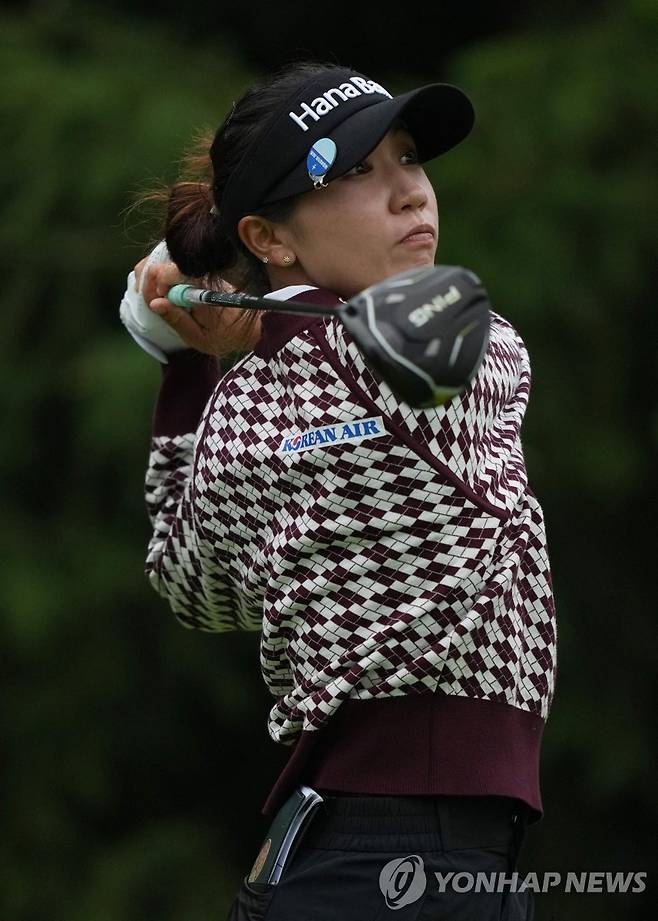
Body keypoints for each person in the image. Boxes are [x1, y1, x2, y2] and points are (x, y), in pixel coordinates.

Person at [120, 60, 557, 920]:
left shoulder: (249, 395)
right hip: (390, 861)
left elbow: (183, 575)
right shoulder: (412, 351)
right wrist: (249, 323)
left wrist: (188, 359)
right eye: (355, 170)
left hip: (383, 858)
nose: (410, 195)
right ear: (270, 236)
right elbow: (193, 584)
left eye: (407, 159)